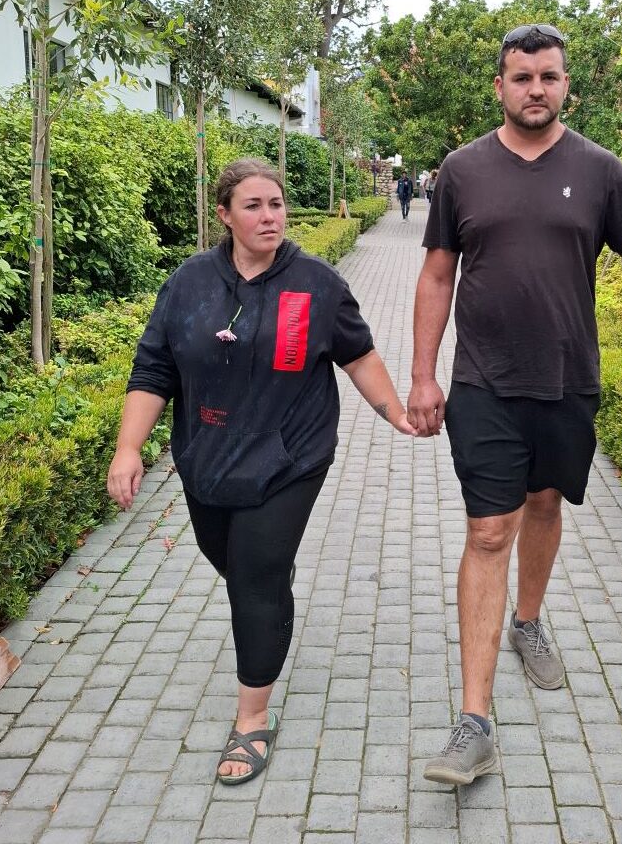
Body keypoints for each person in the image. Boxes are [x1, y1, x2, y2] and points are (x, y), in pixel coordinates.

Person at [407, 24, 622, 786]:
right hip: (483, 385)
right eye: (522, 76)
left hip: (569, 382)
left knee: (542, 506)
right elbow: (437, 277)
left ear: (566, 85)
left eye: (549, 77)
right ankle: (475, 720)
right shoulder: (462, 171)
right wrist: (422, 374)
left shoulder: (602, 171)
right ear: (500, 86)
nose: (536, 88)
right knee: (488, 528)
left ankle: (527, 622)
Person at [107, 157, 415, 786]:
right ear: (225, 214)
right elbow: (153, 371)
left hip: (289, 456)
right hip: (207, 457)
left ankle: (253, 719)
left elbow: (359, 357)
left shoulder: (317, 284)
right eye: (253, 206)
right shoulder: (189, 283)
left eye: (276, 204)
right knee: (226, 555)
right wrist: (127, 449)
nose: (270, 216)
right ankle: (270, 579)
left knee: (253, 580)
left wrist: (397, 414)